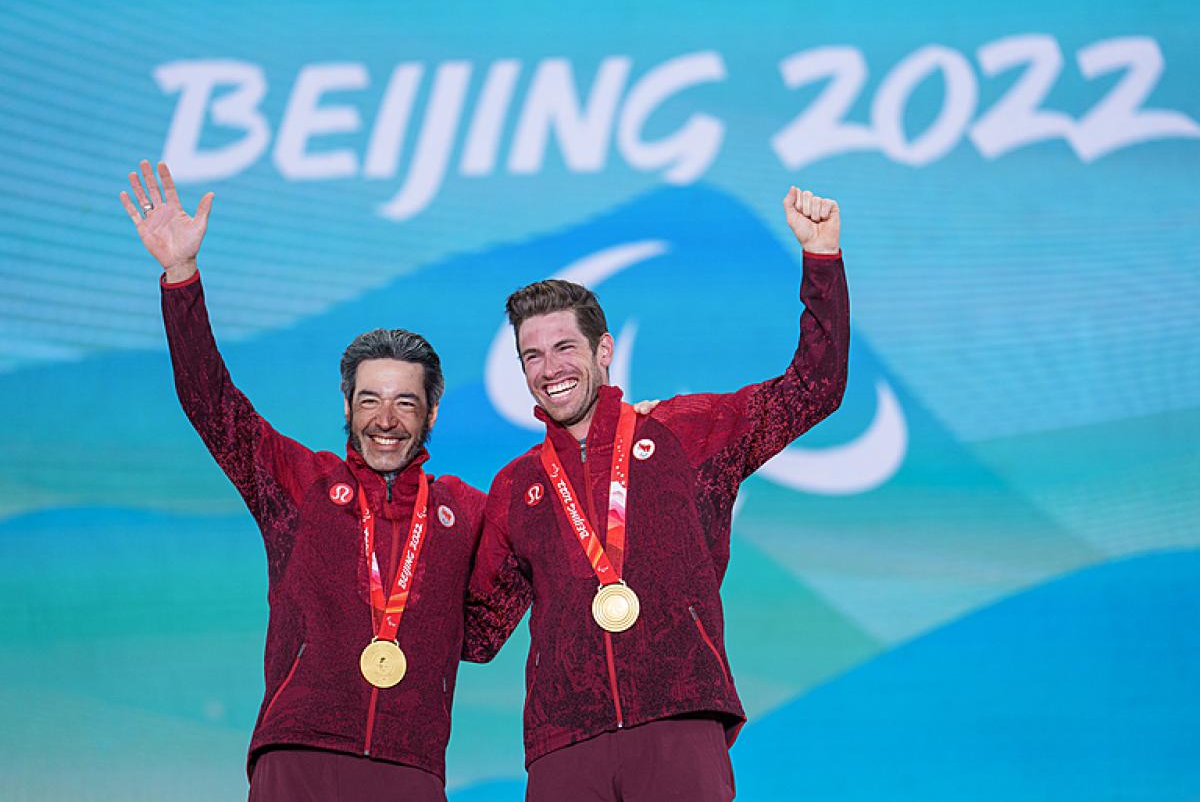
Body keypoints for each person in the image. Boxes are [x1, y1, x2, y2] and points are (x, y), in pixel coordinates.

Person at [464, 186, 850, 800]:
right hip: (565, 742)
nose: (549, 368)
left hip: (679, 719)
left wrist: (822, 261)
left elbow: (814, 390)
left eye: (564, 347)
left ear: (604, 350)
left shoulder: (684, 434)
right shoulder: (518, 486)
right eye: (531, 356)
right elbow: (477, 632)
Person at [119, 160, 484, 801]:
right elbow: (212, 403)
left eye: (405, 402)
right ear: (346, 407)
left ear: (433, 409)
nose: (386, 421)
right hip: (298, 757)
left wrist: (611, 423)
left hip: (411, 766)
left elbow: (496, 614)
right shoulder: (300, 484)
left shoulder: (465, 509)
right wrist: (181, 277)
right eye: (369, 400)